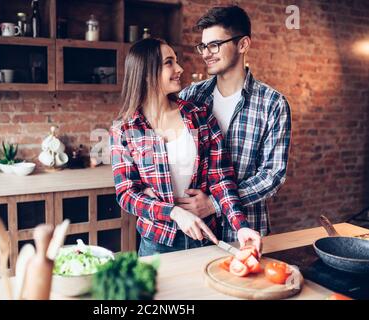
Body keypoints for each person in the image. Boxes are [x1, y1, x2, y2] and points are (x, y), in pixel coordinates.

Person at [110, 38, 261, 256]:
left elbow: (221, 179)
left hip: (206, 236)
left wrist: (241, 225)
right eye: (169, 62)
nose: (179, 69)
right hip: (157, 242)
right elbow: (126, 194)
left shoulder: (199, 115)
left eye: (176, 61)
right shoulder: (124, 130)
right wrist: (174, 212)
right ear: (146, 72)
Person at [177, 5, 292, 242]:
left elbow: (272, 176)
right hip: (193, 232)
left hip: (244, 230)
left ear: (243, 45)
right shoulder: (191, 96)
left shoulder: (273, 103)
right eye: (203, 46)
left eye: (214, 45)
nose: (206, 53)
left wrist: (214, 203)